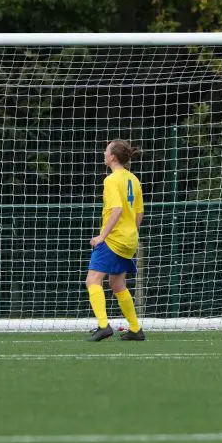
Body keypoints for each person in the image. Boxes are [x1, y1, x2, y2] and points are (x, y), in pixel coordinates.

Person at [85, 140, 145, 341]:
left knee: (93, 279)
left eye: (106, 151)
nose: (104, 153)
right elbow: (139, 213)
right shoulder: (133, 179)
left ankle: (103, 326)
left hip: (114, 238)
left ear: (112, 157)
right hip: (130, 239)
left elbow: (117, 210)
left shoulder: (111, 180)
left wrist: (102, 236)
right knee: (117, 283)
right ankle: (136, 329)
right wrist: (132, 233)